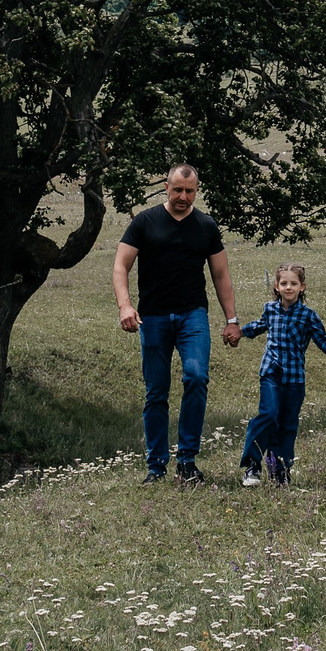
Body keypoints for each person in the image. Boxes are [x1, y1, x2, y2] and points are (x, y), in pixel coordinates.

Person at [113, 163, 239, 484]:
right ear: (166, 188)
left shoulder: (207, 226)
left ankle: (187, 461)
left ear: (196, 190)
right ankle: (155, 467)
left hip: (192, 315)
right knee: (156, 392)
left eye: (190, 191)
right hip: (153, 317)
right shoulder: (144, 222)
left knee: (196, 378)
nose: (183, 196)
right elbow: (120, 267)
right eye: (178, 189)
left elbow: (221, 276)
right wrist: (125, 305)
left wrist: (232, 320)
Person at [235, 262, 326, 486]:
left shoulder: (308, 315)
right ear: (276, 286)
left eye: (293, 283)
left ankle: (280, 471)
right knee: (268, 415)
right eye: (284, 283)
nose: (289, 287)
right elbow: (258, 326)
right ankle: (252, 466)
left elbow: (322, 340)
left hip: (295, 378)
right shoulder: (270, 309)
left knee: (287, 424)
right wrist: (238, 332)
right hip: (271, 371)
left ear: (302, 287)